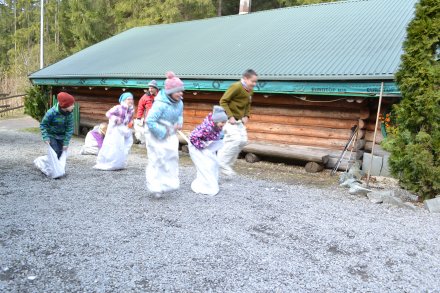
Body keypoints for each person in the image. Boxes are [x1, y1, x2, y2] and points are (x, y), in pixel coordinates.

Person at [145, 72, 184, 198]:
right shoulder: (160, 104)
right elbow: (150, 121)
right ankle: (155, 185)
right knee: (158, 158)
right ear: (170, 91)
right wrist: (163, 131)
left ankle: (168, 183)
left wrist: (179, 123)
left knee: (171, 156)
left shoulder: (179, 103)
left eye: (181, 91)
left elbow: (180, 115)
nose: (181, 94)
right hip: (155, 134)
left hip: (170, 132)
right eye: (178, 91)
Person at [217, 69, 258, 176]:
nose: (254, 84)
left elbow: (248, 104)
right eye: (252, 81)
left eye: (255, 82)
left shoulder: (250, 90)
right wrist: (230, 116)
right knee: (235, 140)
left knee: (243, 141)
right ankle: (221, 162)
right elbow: (223, 101)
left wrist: (247, 115)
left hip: (240, 121)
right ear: (245, 79)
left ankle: (227, 163)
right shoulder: (236, 86)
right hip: (229, 120)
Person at [188, 105, 228, 196]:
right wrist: (202, 146)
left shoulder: (218, 127)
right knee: (205, 165)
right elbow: (193, 137)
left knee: (213, 163)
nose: (223, 124)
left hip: (207, 146)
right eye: (222, 122)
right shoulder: (207, 128)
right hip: (196, 146)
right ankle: (204, 185)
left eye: (225, 122)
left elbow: (217, 138)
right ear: (216, 121)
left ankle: (209, 184)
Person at [94, 92, 134, 170]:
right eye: (128, 99)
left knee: (123, 146)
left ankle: (119, 163)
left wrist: (130, 123)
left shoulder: (131, 110)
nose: (130, 101)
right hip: (115, 129)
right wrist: (116, 119)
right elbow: (108, 114)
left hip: (123, 129)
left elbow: (129, 120)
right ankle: (109, 163)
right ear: (124, 100)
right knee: (113, 146)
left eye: (131, 99)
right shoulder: (118, 107)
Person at [40, 92, 75, 158]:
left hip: (62, 136)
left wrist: (66, 142)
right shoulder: (51, 112)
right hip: (52, 135)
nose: (74, 106)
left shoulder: (70, 114)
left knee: (61, 153)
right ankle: (52, 166)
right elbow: (43, 125)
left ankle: (57, 166)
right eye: (72, 104)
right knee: (55, 151)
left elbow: (70, 128)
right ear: (65, 105)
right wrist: (45, 137)